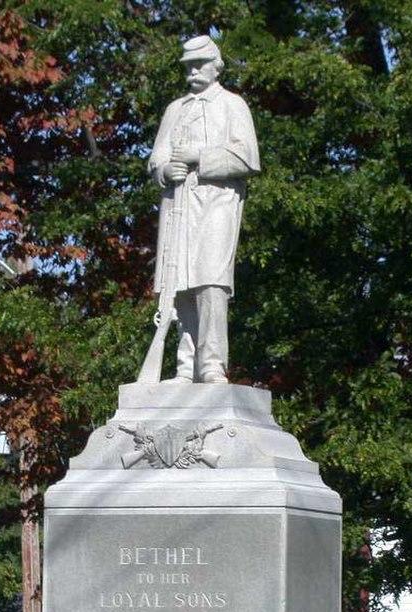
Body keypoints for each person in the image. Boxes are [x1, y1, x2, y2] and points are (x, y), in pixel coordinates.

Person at [148, 34, 260, 383]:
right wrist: (165, 170)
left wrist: (201, 157)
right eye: (188, 66)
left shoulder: (232, 106)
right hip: (178, 204)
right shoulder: (175, 110)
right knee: (178, 283)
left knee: (211, 282)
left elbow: (247, 157)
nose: (193, 71)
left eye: (199, 64)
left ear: (216, 67)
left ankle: (211, 364)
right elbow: (156, 159)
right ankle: (185, 366)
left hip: (216, 204)